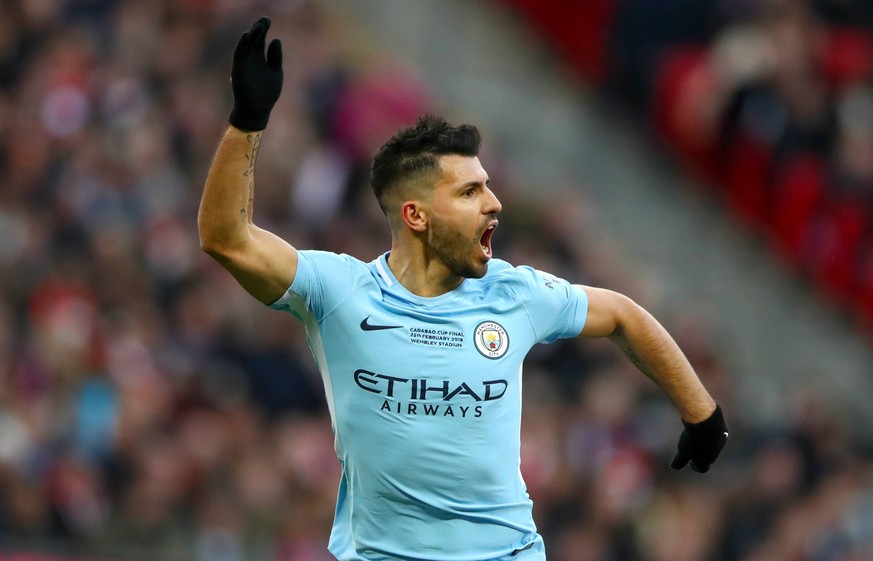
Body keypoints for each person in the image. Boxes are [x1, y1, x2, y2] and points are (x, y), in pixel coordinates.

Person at [198, 16, 729, 561]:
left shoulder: (516, 295)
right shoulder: (339, 291)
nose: (494, 203)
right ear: (416, 215)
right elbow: (227, 239)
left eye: (490, 186)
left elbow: (621, 314)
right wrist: (248, 120)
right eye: (471, 191)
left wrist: (701, 414)